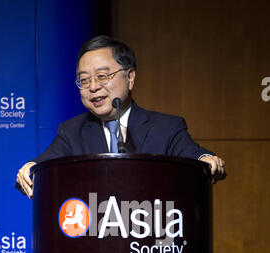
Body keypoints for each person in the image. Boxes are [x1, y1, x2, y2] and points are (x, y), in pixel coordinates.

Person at [16, 35, 226, 198]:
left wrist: (206, 160)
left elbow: (193, 154)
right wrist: (29, 169)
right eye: (84, 79)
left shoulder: (167, 127)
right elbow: (43, 165)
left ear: (130, 77)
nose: (94, 87)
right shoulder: (71, 132)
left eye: (102, 76)